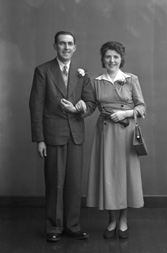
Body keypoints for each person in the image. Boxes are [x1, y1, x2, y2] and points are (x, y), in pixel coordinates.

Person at [29, 31, 96, 242]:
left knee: (74, 183)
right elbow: (36, 105)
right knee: (55, 182)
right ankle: (54, 228)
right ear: (55, 46)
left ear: (75, 47)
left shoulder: (81, 73)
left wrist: (79, 110)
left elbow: (91, 104)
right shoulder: (43, 71)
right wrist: (39, 139)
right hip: (52, 135)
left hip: (76, 135)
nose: (66, 47)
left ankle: (72, 226)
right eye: (62, 44)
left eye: (70, 44)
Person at [86, 41, 146, 239]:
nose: (112, 60)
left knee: (125, 176)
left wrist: (126, 114)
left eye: (116, 57)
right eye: (108, 57)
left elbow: (141, 108)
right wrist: (76, 108)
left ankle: (123, 220)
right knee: (109, 176)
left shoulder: (131, 79)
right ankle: (112, 220)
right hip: (105, 134)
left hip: (126, 133)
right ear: (103, 59)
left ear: (121, 59)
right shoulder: (95, 81)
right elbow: (90, 107)